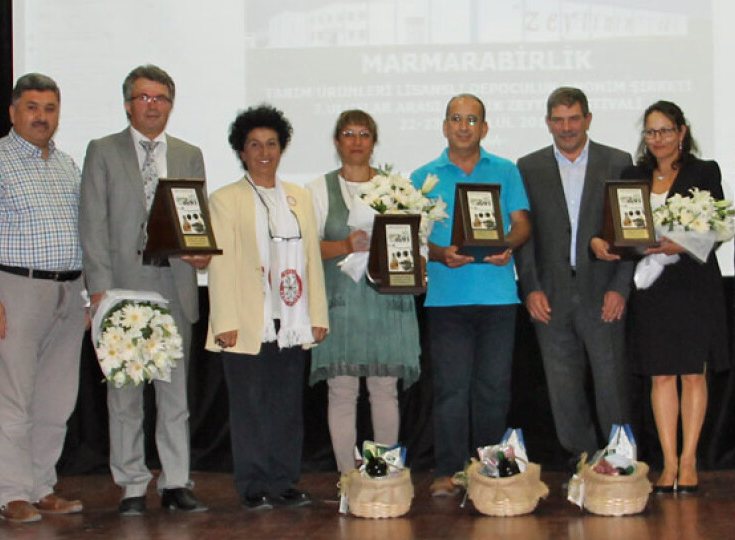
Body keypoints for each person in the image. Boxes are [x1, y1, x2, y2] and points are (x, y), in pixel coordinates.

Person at [80, 64, 209, 515]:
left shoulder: (190, 153)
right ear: (128, 104)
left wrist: (201, 252)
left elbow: (197, 221)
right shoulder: (103, 151)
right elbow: (91, 223)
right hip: (122, 290)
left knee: (174, 395)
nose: (151, 106)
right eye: (143, 98)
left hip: (174, 284)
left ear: (171, 105)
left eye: (160, 98)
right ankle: (133, 483)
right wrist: (98, 291)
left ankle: (176, 482)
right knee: (126, 396)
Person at [0, 73, 85, 523]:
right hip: (14, 289)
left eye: (50, 108)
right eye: (32, 107)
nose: (42, 117)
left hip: (68, 291)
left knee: (56, 399)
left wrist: (84, 296)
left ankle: (41, 486)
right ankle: (11, 493)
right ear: (13, 112)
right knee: (11, 398)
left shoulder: (68, 164)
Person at [594, 100, 729, 494]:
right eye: (651, 132)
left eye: (666, 130)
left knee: (692, 373)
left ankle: (689, 462)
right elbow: (617, 228)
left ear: (682, 132)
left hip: (693, 285)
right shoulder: (631, 175)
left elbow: (718, 227)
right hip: (652, 290)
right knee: (661, 374)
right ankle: (667, 462)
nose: (659, 139)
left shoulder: (704, 172)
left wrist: (682, 244)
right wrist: (602, 241)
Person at [205, 104, 328, 510]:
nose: (264, 152)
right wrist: (223, 321)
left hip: (292, 319)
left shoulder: (300, 197)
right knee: (250, 406)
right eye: (254, 144)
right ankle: (254, 483)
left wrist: (318, 316)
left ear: (282, 148)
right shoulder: (225, 200)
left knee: (287, 405)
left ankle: (284, 480)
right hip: (246, 320)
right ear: (241, 151)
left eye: (271, 144)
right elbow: (220, 266)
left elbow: (311, 258)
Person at [413, 94, 531, 497]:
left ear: (484, 127)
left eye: (472, 119)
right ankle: (448, 471)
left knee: (493, 389)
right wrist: (439, 253)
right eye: (456, 118)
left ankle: (491, 468)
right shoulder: (422, 178)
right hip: (446, 299)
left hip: (499, 297)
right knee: (450, 389)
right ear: (445, 126)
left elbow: (521, 224)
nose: (464, 126)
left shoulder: (506, 171)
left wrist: (508, 245)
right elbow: (411, 238)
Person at [515, 87, 634, 461]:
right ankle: (582, 460)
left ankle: (619, 460)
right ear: (548, 122)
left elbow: (630, 231)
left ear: (588, 119)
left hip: (602, 291)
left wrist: (621, 289)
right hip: (550, 294)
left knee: (611, 384)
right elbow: (524, 233)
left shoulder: (617, 161)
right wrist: (530, 287)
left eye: (574, 118)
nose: (567, 127)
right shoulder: (528, 167)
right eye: (559, 120)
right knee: (563, 389)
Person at [304, 110, 419, 477]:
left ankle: (384, 475)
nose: (356, 141)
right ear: (337, 142)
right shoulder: (317, 190)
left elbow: (413, 242)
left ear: (374, 141)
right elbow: (305, 249)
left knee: (385, 390)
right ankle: (348, 478)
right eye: (349, 134)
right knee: (341, 392)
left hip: (387, 304)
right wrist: (344, 245)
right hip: (342, 304)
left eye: (364, 134)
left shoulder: (397, 188)